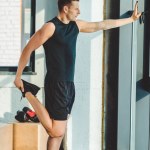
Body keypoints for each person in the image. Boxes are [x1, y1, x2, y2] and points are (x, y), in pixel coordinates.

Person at [14, 0, 141, 149]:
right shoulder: (50, 27)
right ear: (66, 9)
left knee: (58, 135)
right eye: (76, 9)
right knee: (56, 130)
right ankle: (28, 91)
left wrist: (130, 19)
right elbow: (28, 49)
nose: (79, 12)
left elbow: (102, 24)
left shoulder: (76, 26)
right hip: (56, 85)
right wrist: (18, 76)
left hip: (69, 85)